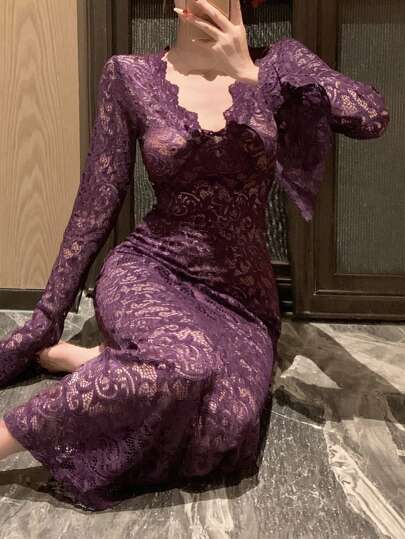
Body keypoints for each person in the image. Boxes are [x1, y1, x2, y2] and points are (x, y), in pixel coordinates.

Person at [0, 0, 389, 510]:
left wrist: (250, 73)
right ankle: (8, 436)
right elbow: (98, 198)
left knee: (226, 427)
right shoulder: (130, 74)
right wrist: (45, 318)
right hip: (152, 268)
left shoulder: (280, 62)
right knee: (187, 365)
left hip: (242, 298)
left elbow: (371, 116)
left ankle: (99, 362)